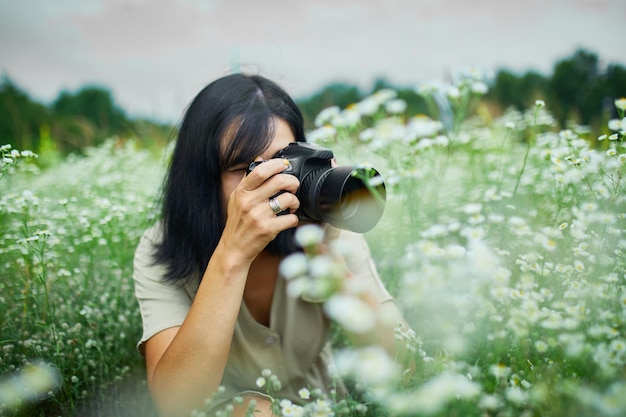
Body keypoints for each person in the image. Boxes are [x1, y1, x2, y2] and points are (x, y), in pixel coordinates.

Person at [133, 73, 407, 417]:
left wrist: (325, 257)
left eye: (284, 159)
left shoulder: (327, 226)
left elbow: (407, 365)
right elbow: (175, 404)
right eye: (247, 168)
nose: (272, 183)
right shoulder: (164, 245)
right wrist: (232, 254)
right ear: (202, 181)